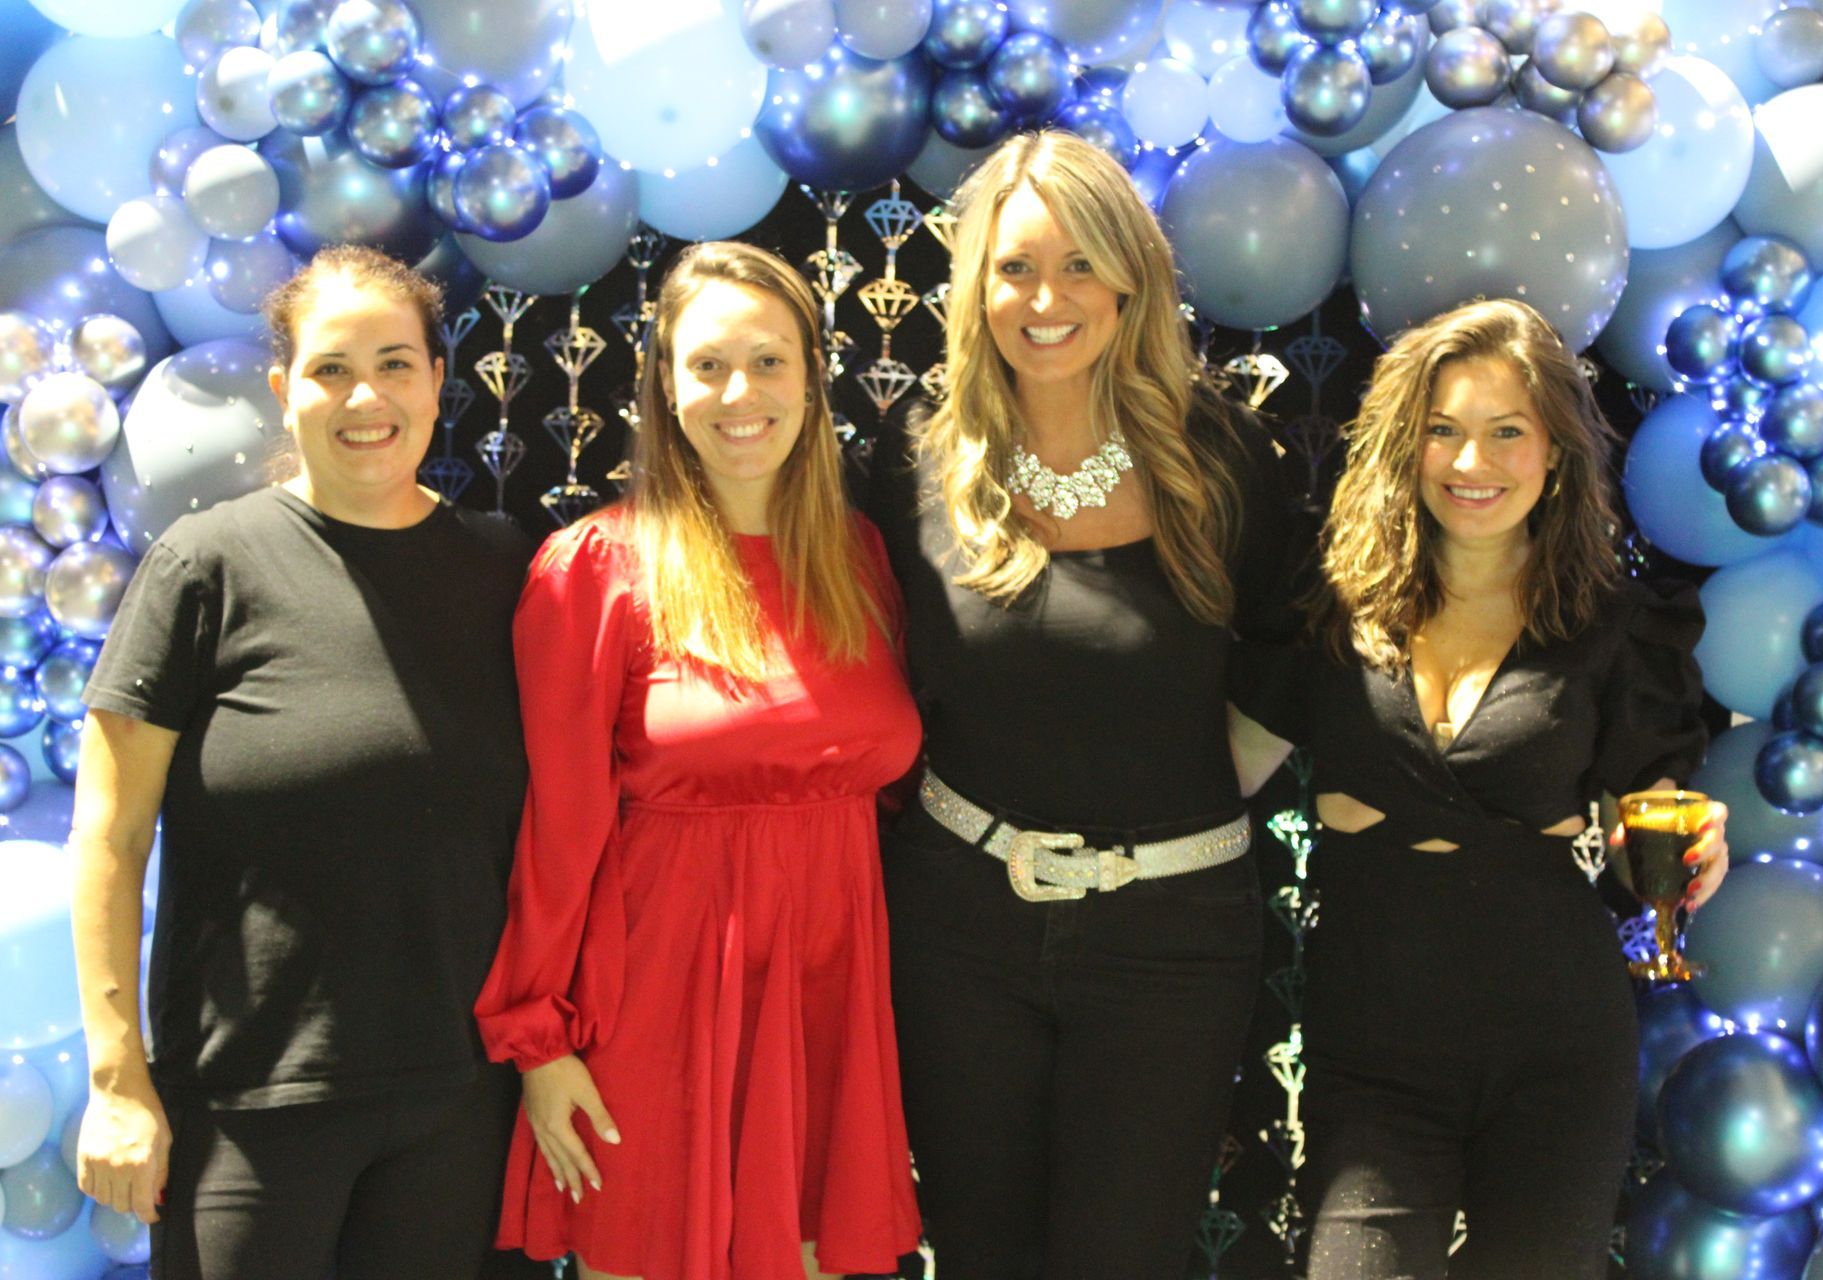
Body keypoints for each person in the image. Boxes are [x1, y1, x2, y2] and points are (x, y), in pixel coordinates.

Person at [860, 129, 1302, 1279]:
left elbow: (1300, 645)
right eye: (1014, 269)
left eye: (1078, 266)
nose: (1044, 299)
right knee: (981, 1252)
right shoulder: (917, 455)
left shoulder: (1220, 455)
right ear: (974, 286)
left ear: (1130, 280)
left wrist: (1200, 776)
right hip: (958, 931)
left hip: (1173, 940)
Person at [1228, 298, 1730, 1279]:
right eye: (1445, 430)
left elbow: (1646, 834)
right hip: (1371, 1037)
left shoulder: (1616, 627)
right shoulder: (1329, 607)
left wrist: (1691, 853)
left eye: (1507, 431)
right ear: (1407, 444)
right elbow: (1210, 786)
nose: (1473, 463)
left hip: (1558, 1034)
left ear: (1555, 452)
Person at [70, 245, 540, 1279]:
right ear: (284, 390)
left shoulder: (508, 568)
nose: (363, 396)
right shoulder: (207, 566)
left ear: (435, 381)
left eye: (394, 363)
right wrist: (117, 1078)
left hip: (459, 1104)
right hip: (247, 1108)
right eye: (330, 368)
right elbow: (110, 835)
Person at [473, 240, 922, 1280]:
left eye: (768, 361)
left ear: (813, 378)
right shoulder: (596, 569)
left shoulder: (861, 556)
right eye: (708, 363)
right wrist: (540, 1041)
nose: (739, 393)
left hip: (828, 992)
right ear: (665, 387)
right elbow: (561, 825)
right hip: (661, 998)